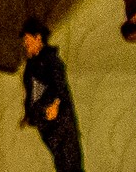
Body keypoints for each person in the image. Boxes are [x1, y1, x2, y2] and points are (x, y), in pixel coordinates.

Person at [21, 17, 87, 172]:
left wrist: (56, 104)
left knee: (69, 159)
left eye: (28, 39)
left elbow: (59, 86)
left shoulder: (51, 60)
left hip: (59, 120)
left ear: (38, 38)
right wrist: (29, 114)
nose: (25, 44)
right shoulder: (31, 67)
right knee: (60, 160)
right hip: (46, 122)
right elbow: (31, 92)